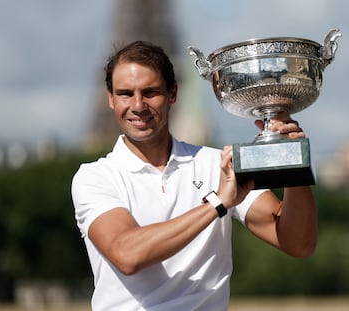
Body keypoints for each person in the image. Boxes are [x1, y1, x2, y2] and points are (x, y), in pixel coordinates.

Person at [71, 41, 317, 311]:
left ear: (173, 93)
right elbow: (127, 254)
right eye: (125, 94)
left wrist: (293, 161)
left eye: (151, 92)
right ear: (110, 98)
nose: (138, 105)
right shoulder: (95, 176)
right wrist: (217, 203)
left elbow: (299, 242)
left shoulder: (217, 164)